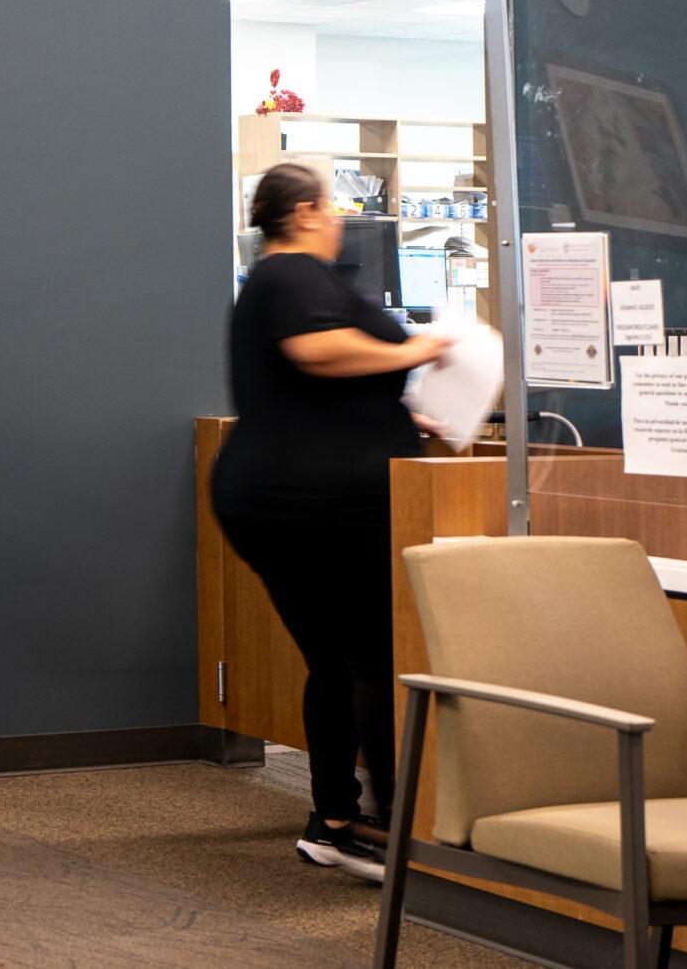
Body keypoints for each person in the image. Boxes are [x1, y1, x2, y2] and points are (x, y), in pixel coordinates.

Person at [212, 162, 452, 882]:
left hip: (285, 490)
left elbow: (309, 388)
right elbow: (316, 352)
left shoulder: (284, 279)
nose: (342, 217)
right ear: (310, 209)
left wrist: (404, 412)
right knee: (372, 656)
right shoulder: (292, 274)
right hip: (315, 501)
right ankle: (389, 826)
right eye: (335, 204)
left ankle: (337, 821)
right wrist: (419, 349)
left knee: (336, 660)